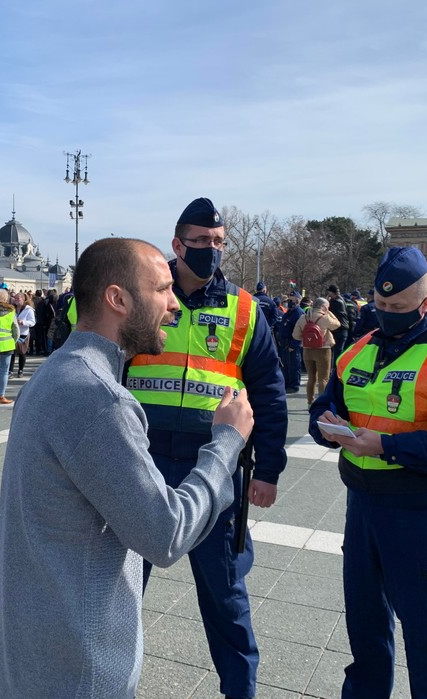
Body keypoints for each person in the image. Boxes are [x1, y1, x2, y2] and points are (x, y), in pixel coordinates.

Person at [0, 237, 254, 698]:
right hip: (80, 665)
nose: (174, 304)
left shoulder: (51, 374)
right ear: (117, 299)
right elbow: (166, 533)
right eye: (162, 289)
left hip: (37, 644)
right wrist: (226, 444)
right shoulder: (99, 398)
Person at [309, 246, 427, 699]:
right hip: (363, 507)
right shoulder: (359, 348)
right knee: (366, 631)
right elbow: (325, 405)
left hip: (421, 511)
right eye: (380, 305)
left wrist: (387, 446)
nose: (386, 314)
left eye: (398, 307)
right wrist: (325, 426)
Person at [127, 197, 287, 699]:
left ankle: (240, 691)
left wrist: (270, 469)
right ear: (177, 245)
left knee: (226, 597)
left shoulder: (244, 308)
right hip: (142, 462)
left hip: (213, 466)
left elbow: (268, 390)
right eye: (200, 242)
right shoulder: (145, 297)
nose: (211, 251)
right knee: (123, 588)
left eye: (218, 243)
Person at [292, 296, 341, 405]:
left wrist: (307, 339)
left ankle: (310, 402)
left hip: (307, 350)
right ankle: (322, 403)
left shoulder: (303, 318)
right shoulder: (325, 318)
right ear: (324, 307)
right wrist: (329, 313)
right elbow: (337, 324)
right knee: (323, 379)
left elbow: (295, 335)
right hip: (323, 350)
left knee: (311, 378)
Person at [277, 294, 303, 393]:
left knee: (293, 365)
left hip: (292, 343)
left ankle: (294, 385)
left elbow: (300, 331)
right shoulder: (290, 312)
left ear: (297, 301)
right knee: (286, 365)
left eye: (292, 300)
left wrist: (294, 344)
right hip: (285, 342)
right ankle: (287, 384)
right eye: (289, 300)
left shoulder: (298, 313)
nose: (289, 302)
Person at [8, 292, 35, 378]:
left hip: (23, 334)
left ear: (23, 299)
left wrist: (23, 322)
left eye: (18, 299)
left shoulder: (28, 310)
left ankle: (20, 370)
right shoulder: (12, 308)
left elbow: (32, 322)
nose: (16, 301)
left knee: (22, 353)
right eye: (15, 299)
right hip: (12, 333)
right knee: (11, 353)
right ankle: (10, 371)